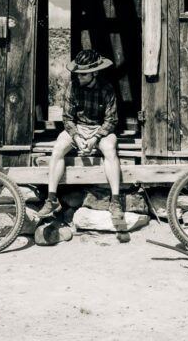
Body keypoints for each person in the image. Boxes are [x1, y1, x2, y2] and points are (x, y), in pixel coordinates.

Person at [37, 49, 125, 229]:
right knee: (58, 149)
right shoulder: (73, 86)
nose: (79, 76)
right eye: (78, 73)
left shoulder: (107, 88)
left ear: (95, 73)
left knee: (109, 150)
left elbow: (111, 119)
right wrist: (76, 136)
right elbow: (67, 118)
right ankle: (52, 198)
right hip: (78, 128)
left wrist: (96, 137)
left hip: (100, 129)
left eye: (84, 74)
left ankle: (115, 201)